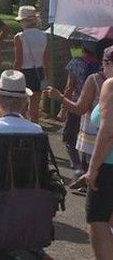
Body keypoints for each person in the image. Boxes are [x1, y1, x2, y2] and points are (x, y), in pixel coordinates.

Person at [46, 41, 113, 191]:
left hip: (93, 138)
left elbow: (79, 107)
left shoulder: (95, 79)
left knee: (69, 138)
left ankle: (79, 170)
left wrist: (60, 98)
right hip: (102, 140)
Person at [83, 49, 113, 259]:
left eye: (103, 62)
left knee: (97, 219)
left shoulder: (110, 85)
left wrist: (92, 169)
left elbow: (107, 131)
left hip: (109, 164)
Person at [60, 42, 99, 180]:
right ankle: (86, 169)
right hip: (94, 108)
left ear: (83, 48)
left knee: (69, 137)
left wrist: (63, 109)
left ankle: (77, 168)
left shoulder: (75, 63)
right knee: (88, 139)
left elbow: (69, 88)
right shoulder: (101, 65)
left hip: (75, 104)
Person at [13, 5, 49, 123]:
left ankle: (22, 127)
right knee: (35, 105)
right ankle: (35, 128)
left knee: (22, 105)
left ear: (24, 21)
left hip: (24, 71)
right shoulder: (44, 35)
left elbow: (18, 60)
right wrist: (47, 75)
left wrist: (14, 74)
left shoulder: (20, 37)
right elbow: (46, 59)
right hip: (38, 71)